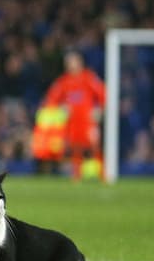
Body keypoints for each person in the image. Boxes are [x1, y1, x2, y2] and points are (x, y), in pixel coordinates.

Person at [39, 51, 105, 181]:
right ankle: (76, 176)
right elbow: (51, 98)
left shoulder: (89, 77)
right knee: (75, 148)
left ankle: (103, 175)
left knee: (94, 147)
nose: (70, 65)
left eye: (73, 62)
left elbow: (102, 93)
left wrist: (99, 109)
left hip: (88, 121)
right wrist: (60, 109)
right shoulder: (64, 81)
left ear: (80, 62)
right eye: (68, 63)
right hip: (72, 122)